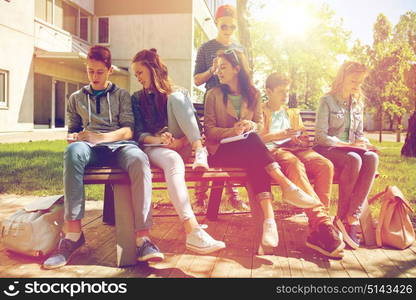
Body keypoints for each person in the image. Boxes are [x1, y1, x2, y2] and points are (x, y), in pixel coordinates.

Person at [43, 46, 163, 269]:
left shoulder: (122, 96)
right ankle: (73, 236)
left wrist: (101, 137)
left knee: (139, 159)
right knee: (72, 151)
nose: (94, 77)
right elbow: (74, 129)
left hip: (121, 147)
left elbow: (129, 131)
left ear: (109, 70)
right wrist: (75, 137)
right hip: (90, 150)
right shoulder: (76, 98)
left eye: (99, 72)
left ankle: (143, 239)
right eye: (90, 71)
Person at [204, 49, 319, 248]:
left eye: (223, 67)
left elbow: (257, 124)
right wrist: (233, 131)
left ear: (236, 69)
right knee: (254, 147)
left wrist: (249, 126)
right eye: (217, 68)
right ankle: (285, 188)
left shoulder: (253, 94)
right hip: (221, 152)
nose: (218, 72)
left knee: (254, 153)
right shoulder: (213, 95)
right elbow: (210, 131)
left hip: (248, 149)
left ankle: (269, 220)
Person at [131, 48, 226, 254]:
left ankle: (200, 150)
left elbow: (194, 126)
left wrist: (181, 142)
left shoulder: (177, 93)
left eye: (139, 72)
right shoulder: (137, 98)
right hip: (153, 147)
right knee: (173, 161)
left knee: (176, 97)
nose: (137, 78)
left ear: (152, 69)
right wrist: (160, 140)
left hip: (182, 145)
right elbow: (138, 134)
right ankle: (192, 230)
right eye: (135, 74)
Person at [259, 72, 344, 258]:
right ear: (268, 91)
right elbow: (257, 140)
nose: (285, 96)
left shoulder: (292, 113)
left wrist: (301, 139)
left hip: (296, 149)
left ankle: (317, 230)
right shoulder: (261, 111)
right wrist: (279, 135)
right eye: (281, 92)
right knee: (294, 164)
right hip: (275, 151)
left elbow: (303, 137)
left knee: (325, 165)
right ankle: (324, 223)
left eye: (287, 92)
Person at [314, 61, 379, 249]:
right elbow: (320, 136)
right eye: (353, 80)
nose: (357, 85)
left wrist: (365, 144)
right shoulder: (327, 100)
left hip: (351, 150)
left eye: (360, 81)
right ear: (342, 78)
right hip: (327, 149)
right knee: (354, 159)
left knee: (371, 157)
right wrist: (347, 145)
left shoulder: (358, 103)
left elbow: (359, 134)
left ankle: (352, 216)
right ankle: (342, 217)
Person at [193, 4, 246, 211]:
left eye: (232, 27)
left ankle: (232, 194)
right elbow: (197, 79)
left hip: (235, 101)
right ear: (217, 23)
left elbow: (244, 76)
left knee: (233, 142)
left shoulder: (240, 49)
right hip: (213, 101)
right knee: (210, 144)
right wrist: (212, 70)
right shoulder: (206, 48)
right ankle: (200, 197)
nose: (228, 30)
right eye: (224, 25)